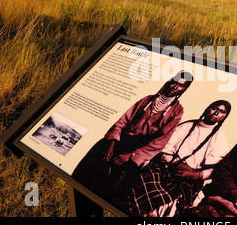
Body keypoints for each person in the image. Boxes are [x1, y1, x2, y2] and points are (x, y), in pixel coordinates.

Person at [71, 70, 193, 200]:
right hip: (119, 140)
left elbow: (160, 141)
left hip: (140, 148)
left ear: (184, 89)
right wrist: (111, 143)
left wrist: (131, 155)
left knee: (112, 186)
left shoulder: (177, 111)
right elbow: (122, 121)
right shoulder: (147, 99)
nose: (175, 87)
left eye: (180, 85)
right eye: (174, 82)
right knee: (88, 171)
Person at [128, 100, 232, 217]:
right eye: (214, 108)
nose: (216, 113)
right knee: (145, 184)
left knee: (170, 202)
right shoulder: (186, 125)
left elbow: (214, 169)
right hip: (166, 168)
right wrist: (176, 163)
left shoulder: (221, 140)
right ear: (208, 108)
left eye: (222, 111)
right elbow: (166, 146)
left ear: (224, 117)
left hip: (190, 180)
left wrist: (195, 175)